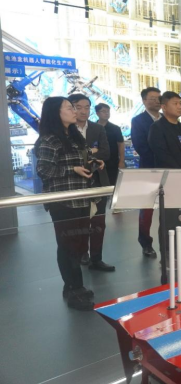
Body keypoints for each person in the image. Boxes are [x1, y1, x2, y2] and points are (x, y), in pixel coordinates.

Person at [36, 96, 103, 311]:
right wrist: (71, 169)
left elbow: (80, 161)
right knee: (68, 246)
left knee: (80, 244)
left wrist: (93, 163)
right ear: (56, 113)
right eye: (69, 108)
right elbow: (44, 170)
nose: (74, 111)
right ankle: (74, 289)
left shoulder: (74, 136)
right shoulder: (49, 140)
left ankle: (74, 286)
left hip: (81, 198)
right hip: (63, 202)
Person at [148, 91, 181, 274]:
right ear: (164, 107)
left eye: (180, 103)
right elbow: (161, 153)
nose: (180, 106)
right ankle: (167, 256)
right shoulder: (157, 129)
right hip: (168, 182)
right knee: (168, 220)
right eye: (175, 103)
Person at [69, 94, 114, 272]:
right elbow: (69, 156)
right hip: (76, 184)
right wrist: (91, 151)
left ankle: (97, 258)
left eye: (86, 107)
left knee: (99, 223)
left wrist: (90, 153)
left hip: (98, 181)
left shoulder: (97, 128)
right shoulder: (66, 129)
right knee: (80, 223)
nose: (83, 111)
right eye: (78, 107)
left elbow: (106, 152)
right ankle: (82, 254)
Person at [130, 87, 161, 257]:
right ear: (144, 101)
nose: (156, 101)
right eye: (152, 98)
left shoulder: (167, 118)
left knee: (170, 207)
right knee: (147, 209)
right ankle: (145, 242)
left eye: (158, 98)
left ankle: (168, 240)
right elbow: (140, 146)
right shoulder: (138, 121)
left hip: (170, 170)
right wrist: (163, 158)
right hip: (149, 169)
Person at [95, 103, 125, 186]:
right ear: (97, 113)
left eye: (108, 111)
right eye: (104, 111)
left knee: (113, 183)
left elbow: (120, 144)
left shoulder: (115, 128)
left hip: (112, 161)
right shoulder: (93, 128)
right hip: (96, 161)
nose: (106, 113)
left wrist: (121, 161)